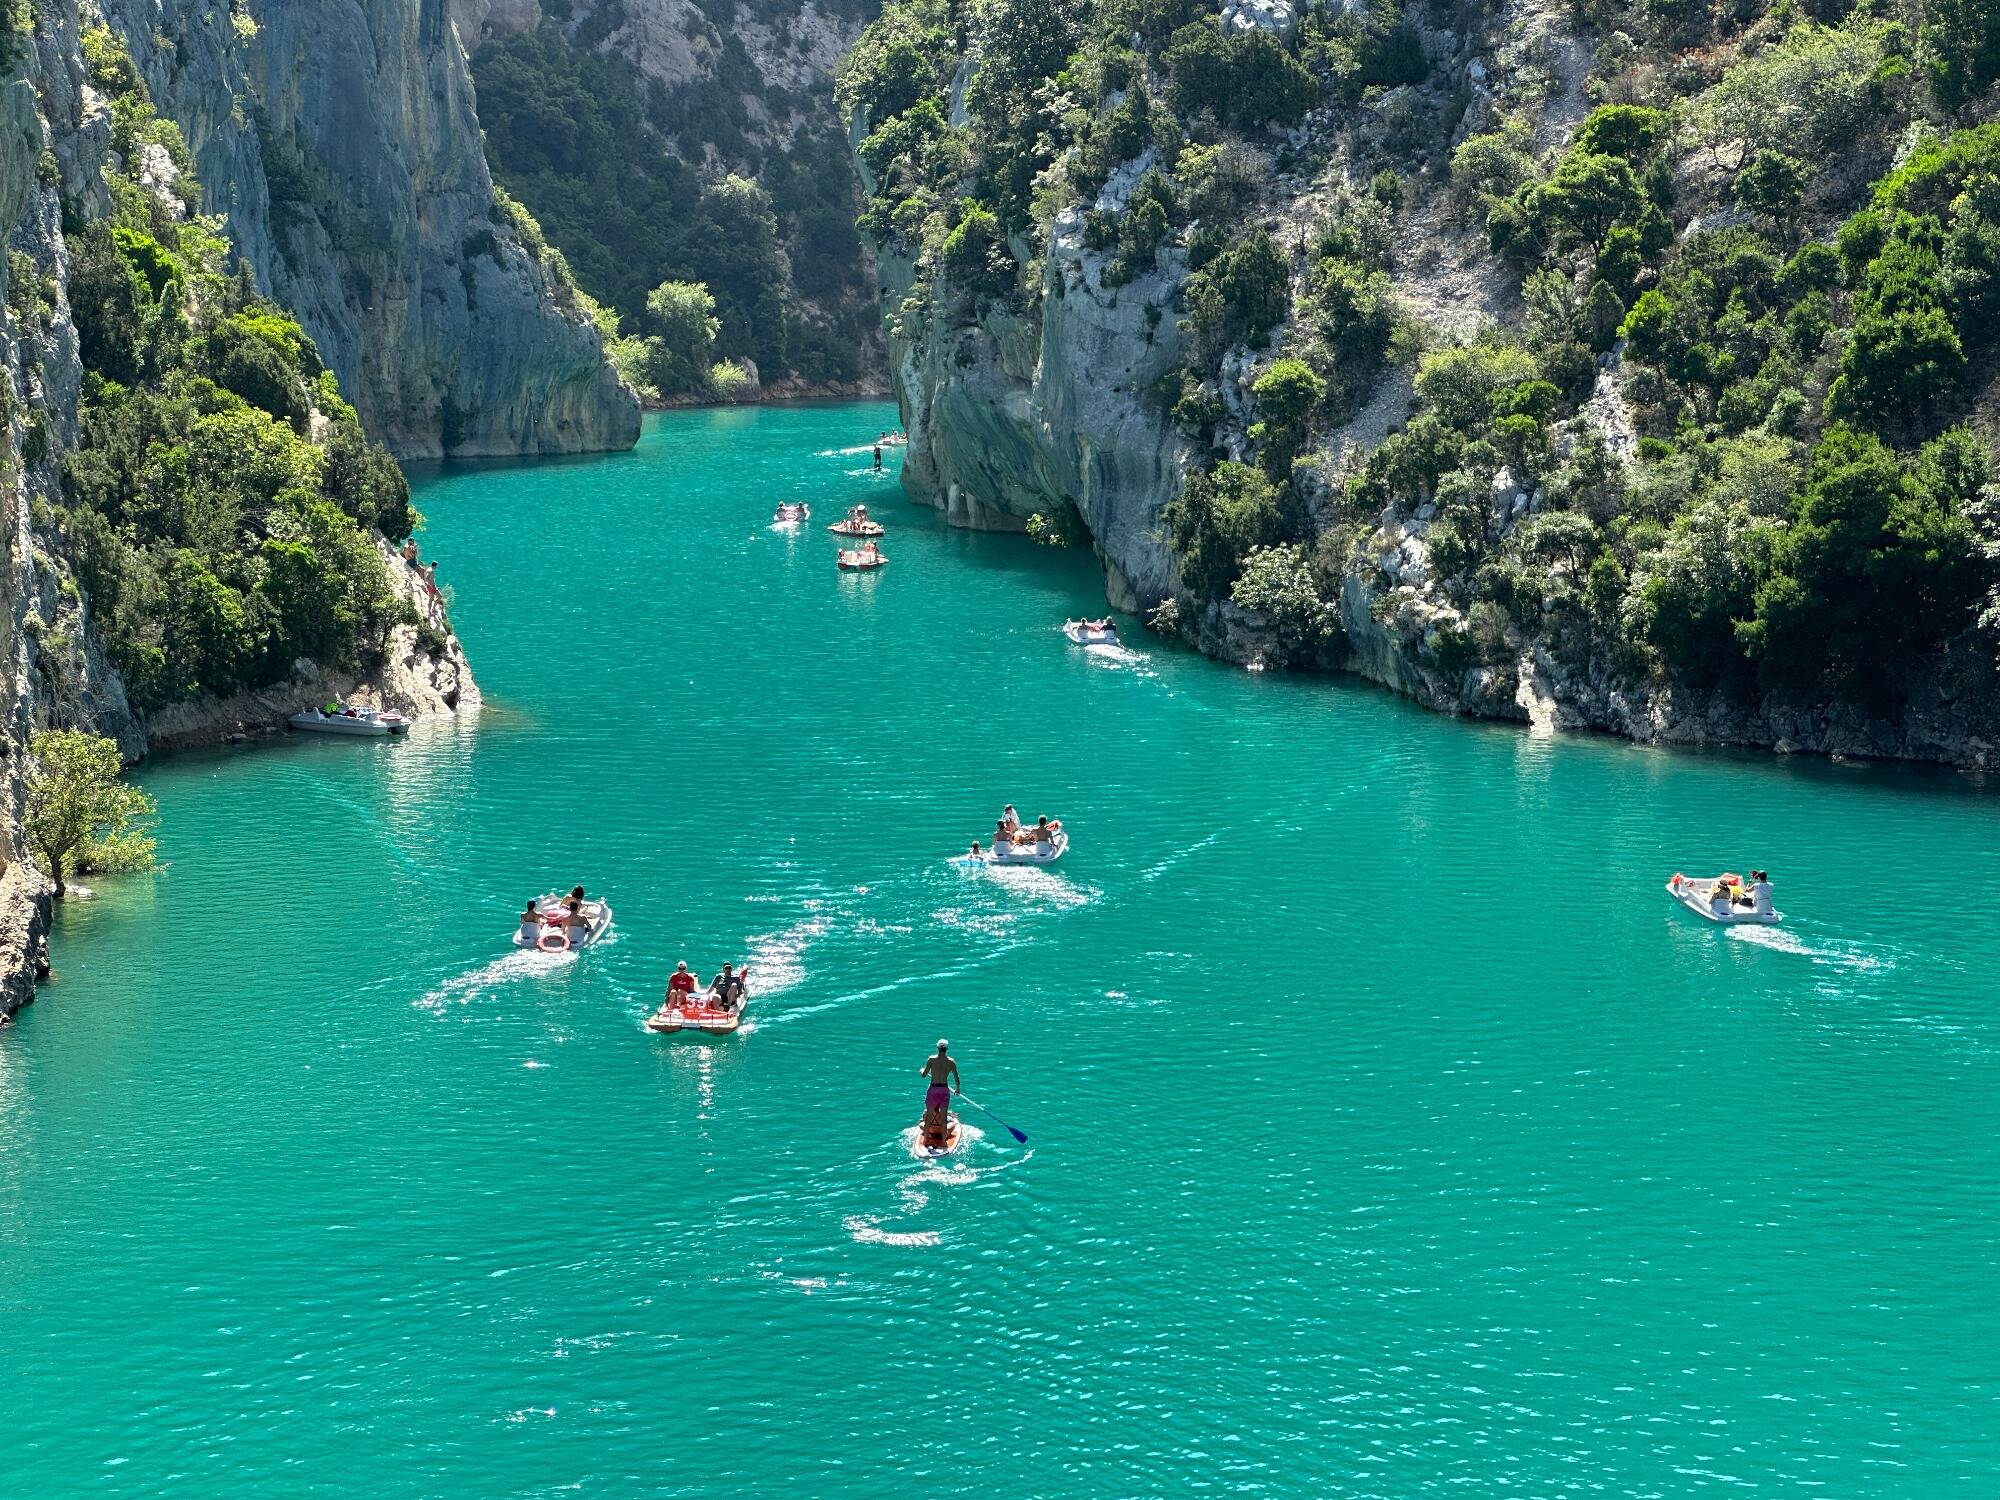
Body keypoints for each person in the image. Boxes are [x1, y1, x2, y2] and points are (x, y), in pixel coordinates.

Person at [919, 1039, 959, 1136]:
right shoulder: (951, 1062)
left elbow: (924, 1075)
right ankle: (943, 1142)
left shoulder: (931, 1059)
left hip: (933, 1088)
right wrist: (958, 1089)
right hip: (944, 1089)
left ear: (937, 1048)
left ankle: (925, 1140)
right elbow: (956, 1077)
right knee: (944, 1117)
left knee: (928, 1115)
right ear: (947, 1049)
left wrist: (922, 1070)